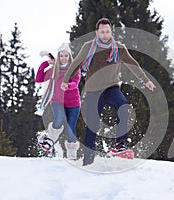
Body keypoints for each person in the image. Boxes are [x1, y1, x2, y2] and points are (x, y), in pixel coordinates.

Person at [61, 18, 156, 166]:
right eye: (102, 32)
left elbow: (133, 64)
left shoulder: (118, 48)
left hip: (111, 88)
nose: (105, 35)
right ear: (97, 32)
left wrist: (146, 80)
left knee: (123, 105)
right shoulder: (88, 47)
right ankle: (87, 161)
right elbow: (76, 63)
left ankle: (120, 144)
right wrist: (66, 81)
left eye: (107, 31)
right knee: (92, 126)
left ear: (111, 32)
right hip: (93, 91)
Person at [35, 43, 81, 160]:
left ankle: (72, 155)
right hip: (57, 101)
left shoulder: (75, 69)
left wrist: (68, 85)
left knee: (71, 128)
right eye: (61, 56)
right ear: (58, 56)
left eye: (66, 55)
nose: (63, 58)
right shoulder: (53, 70)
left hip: (73, 103)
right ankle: (49, 139)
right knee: (59, 118)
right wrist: (46, 63)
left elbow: (75, 82)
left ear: (69, 56)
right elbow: (39, 78)